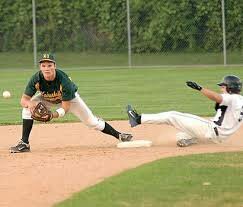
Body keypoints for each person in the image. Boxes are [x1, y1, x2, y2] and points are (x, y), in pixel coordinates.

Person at [10, 53, 132, 153]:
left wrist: (52, 115)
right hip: (46, 98)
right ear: (40, 67)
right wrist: (30, 104)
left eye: (49, 65)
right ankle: (24, 143)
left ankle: (119, 135)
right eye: (43, 65)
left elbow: (65, 108)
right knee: (26, 109)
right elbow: (23, 100)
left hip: (70, 100)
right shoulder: (36, 78)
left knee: (92, 122)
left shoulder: (64, 80)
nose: (46, 68)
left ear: (55, 66)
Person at [127, 75, 243, 147]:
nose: (221, 89)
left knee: (172, 116)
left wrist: (199, 88)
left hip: (211, 130)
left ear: (230, 87)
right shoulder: (240, 100)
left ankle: (137, 119)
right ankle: (192, 139)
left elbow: (217, 98)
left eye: (223, 86)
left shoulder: (232, 97)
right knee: (182, 134)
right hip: (219, 137)